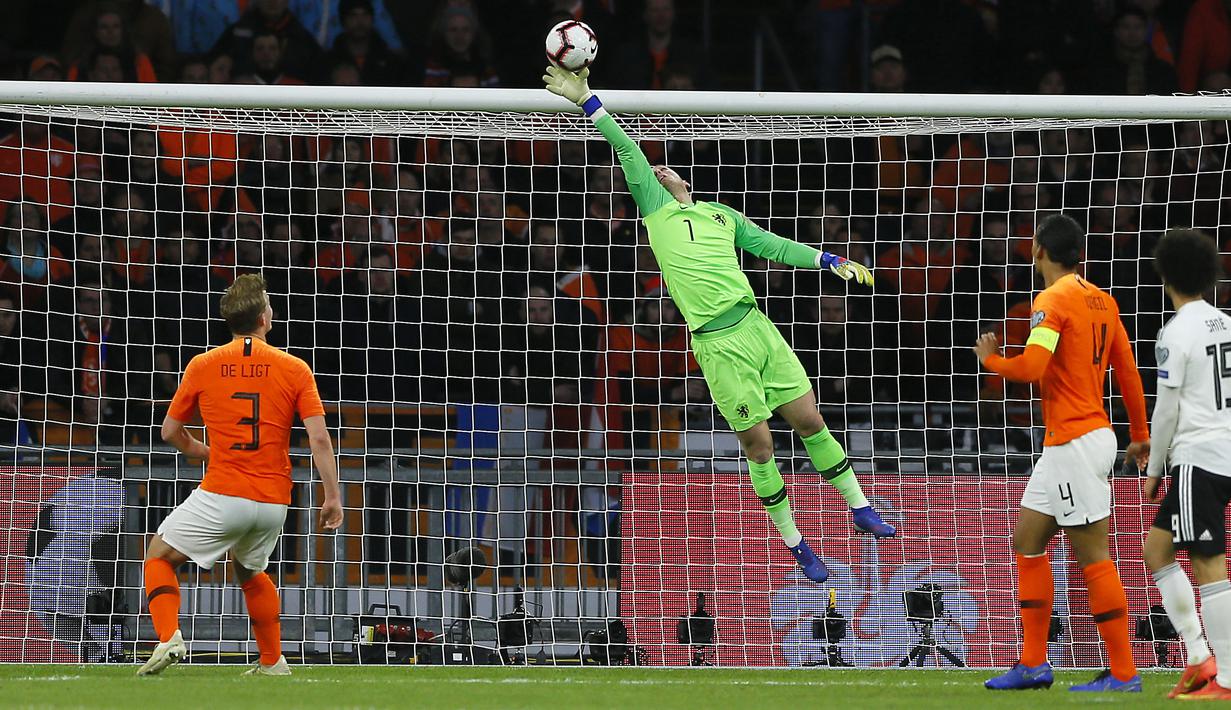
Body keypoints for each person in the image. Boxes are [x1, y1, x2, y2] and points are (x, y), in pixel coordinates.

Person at [544, 66, 894, 585]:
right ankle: (797, 545)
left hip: (757, 327)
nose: (661, 173)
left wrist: (827, 259)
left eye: (670, 172)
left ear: (689, 182)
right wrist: (587, 100)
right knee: (761, 447)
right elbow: (627, 150)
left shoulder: (722, 216)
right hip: (715, 343)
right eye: (656, 173)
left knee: (810, 421)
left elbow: (772, 246)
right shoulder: (656, 215)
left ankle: (860, 507)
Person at [974, 214, 1149, 693]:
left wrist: (990, 359)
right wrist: (1139, 433)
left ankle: (1123, 672)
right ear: (1081, 255)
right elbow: (1128, 373)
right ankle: (1033, 663)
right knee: (1027, 541)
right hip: (1072, 441)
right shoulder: (1104, 301)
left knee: (1094, 557)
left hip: (1075, 439)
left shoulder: (1051, 300)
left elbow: (1032, 368)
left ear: (1036, 250)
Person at [137, 274, 342, 677]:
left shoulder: (203, 364)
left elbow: (169, 432)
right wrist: (332, 496)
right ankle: (272, 661)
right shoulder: (295, 368)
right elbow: (318, 438)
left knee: (158, 557)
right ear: (265, 317)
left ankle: (168, 638)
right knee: (250, 570)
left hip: (224, 492)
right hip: (273, 502)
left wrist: (206, 451)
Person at [1141, 228, 1231, 700]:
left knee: (1208, 562)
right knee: (1157, 551)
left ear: (1164, 275)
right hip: (1225, 451)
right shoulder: (1226, 323)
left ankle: (1228, 681)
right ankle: (1199, 659)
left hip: (1199, 456)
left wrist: (1156, 467)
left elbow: (1167, 409)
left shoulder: (1175, 332)